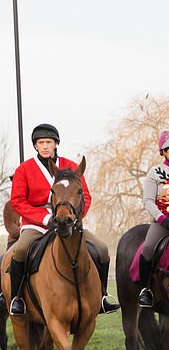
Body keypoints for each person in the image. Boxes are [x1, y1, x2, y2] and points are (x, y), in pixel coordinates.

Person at [7, 123, 120, 315]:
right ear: (35, 146)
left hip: (69, 222)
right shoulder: (24, 170)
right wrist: (44, 218)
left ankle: (101, 297)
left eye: (48, 142)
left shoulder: (71, 167)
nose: (44, 146)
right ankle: (16, 299)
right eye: (40, 142)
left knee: (101, 249)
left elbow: (85, 196)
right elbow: (17, 201)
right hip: (37, 224)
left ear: (56, 144)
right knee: (20, 250)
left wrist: (74, 218)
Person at [136, 130, 169, 307]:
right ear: (164, 152)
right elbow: (148, 201)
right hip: (164, 221)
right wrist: (161, 219)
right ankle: (146, 290)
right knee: (149, 248)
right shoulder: (155, 172)